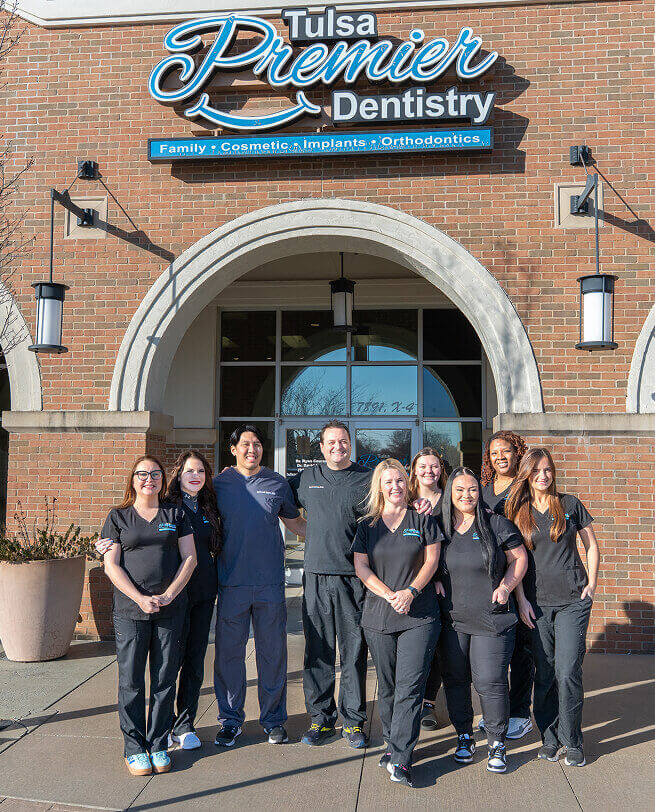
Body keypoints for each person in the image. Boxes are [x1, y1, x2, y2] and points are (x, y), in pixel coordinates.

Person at [99, 455, 197, 776]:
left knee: (165, 677)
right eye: (142, 474)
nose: (149, 479)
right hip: (130, 611)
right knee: (131, 680)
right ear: (133, 479)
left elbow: (190, 559)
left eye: (155, 474)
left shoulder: (176, 514)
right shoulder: (118, 517)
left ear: (162, 480)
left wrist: (168, 595)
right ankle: (134, 747)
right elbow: (111, 564)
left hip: (170, 610)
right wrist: (140, 598)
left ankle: (157, 743)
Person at [213, 425, 306, 747]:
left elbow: (296, 524)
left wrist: (334, 532)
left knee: (272, 655)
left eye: (257, 444)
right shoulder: (218, 484)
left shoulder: (277, 483)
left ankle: (273, 720)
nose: (252, 449)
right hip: (231, 584)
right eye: (245, 444)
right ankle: (230, 720)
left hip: (269, 585)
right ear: (233, 449)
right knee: (229, 657)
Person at [506, 448, 600, 768]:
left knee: (567, 670)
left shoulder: (569, 504)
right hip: (538, 605)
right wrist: (520, 600)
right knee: (544, 673)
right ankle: (549, 737)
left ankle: (573, 740)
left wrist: (592, 583)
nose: (544, 476)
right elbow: (514, 561)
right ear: (527, 476)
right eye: (537, 472)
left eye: (548, 470)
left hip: (574, 601)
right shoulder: (519, 511)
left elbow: (591, 544)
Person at [352, 459, 441, 788]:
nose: (395, 487)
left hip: (419, 616)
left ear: (408, 483)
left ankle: (402, 757)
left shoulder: (424, 518)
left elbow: (432, 559)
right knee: (388, 687)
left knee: (410, 687)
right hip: (379, 616)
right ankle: (392, 746)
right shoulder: (367, 525)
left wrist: (411, 592)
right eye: (388, 482)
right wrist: (391, 595)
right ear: (379, 486)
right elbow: (361, 568)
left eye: (400, 481)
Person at [438, 467, 527, 774]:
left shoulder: (496, 523)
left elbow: (519, 558)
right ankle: (464, 736)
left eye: (473, 489)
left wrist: (506, 587)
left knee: (490, 681)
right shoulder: (440, 526)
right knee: (456, 679)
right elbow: (423, 558)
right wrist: (435, 580)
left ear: (480, 491)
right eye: (460, 490)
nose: (466, 495)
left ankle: (496, 742)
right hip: (453, 619)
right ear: (450, 492)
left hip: (492, 619)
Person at [288, 421, 372, 748]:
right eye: (331, 442)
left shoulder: (366, 479)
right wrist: (309, 534)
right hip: (317, 577)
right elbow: (279, 502)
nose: (338, 446)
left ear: (351, 444)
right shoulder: (307, 479)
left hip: (353, 578)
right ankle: (321, 720)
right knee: (318, 651)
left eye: (343, 441)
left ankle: (353, 723)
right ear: (321, 447)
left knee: (353, 652)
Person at [479, 430, 534, 740]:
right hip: (492, 578)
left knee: (522, 650)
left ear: (517, 453)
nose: (499, 456)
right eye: (494, 452)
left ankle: (519, 713)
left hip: (522, 572)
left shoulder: (524, 488)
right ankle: (497, 712)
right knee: (497, 651)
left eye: (505, 451)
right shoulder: (483, 491)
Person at [166, 450, 221, 749]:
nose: (196, 475)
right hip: (174, 595)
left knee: (194, 660)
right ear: (179, 474)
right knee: (170, 661)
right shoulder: (166, 507)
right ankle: (162, 725)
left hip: (203, 592)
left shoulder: (208, 506)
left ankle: (185, 724)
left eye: (201, 470)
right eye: (190, 471)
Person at [407, 447, 447, 732]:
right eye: (423, 466)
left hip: (450, 582)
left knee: (440, 648)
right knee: (416, 648)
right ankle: (410, 700)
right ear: (414, 470)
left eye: (434, 466)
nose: (429, 472)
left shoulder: (451, 500)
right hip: (415, 582)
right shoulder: (405, 501)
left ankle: (428, 702)